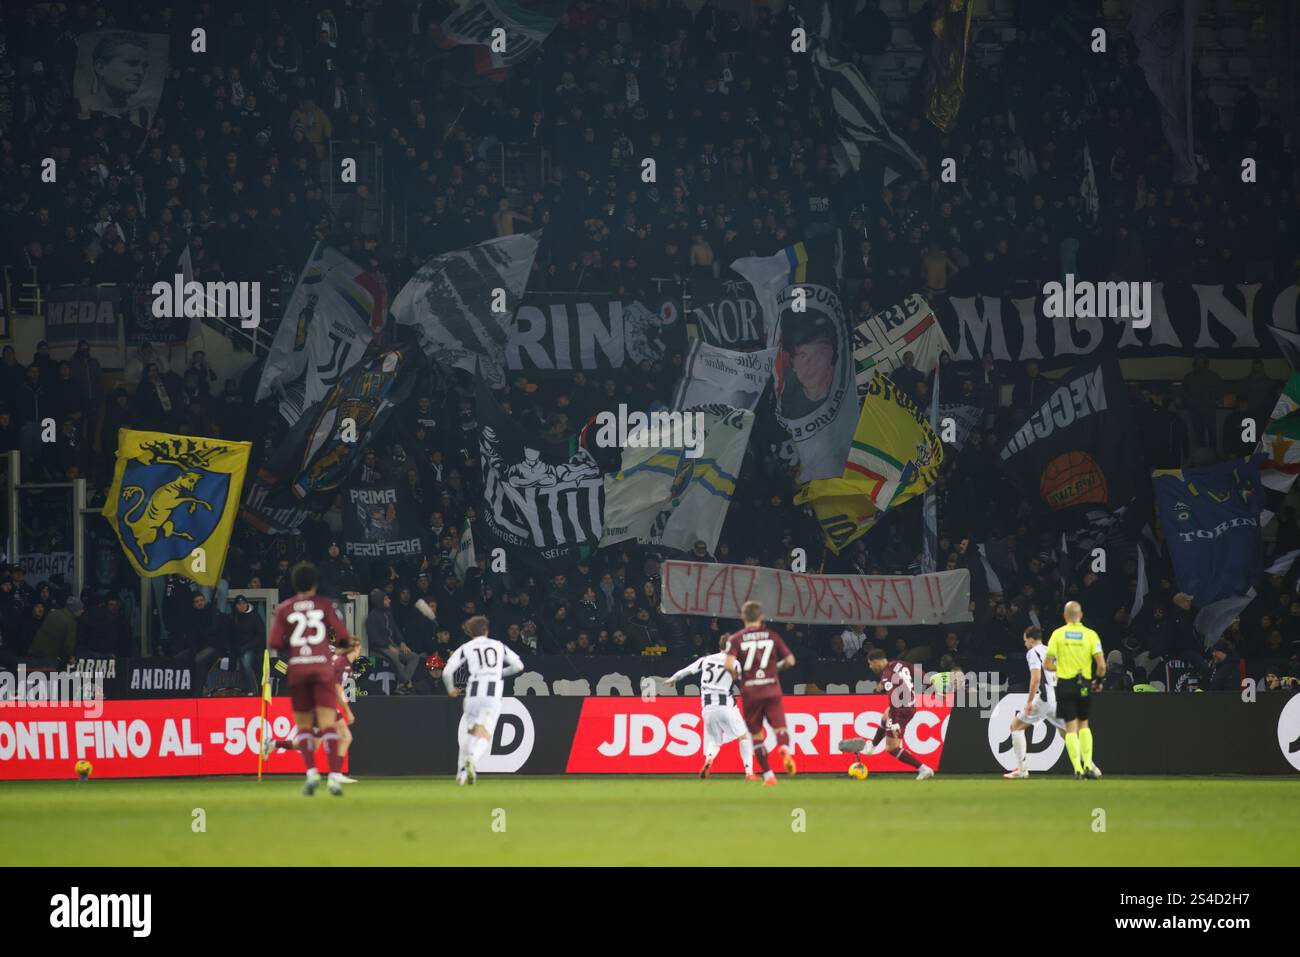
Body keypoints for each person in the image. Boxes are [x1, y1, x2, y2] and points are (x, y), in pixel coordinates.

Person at [268, 562, 352, 797]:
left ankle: (311, 773)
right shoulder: (325, 605)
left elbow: (275, 643)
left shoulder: (285, 608)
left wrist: (296, 648)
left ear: (294, 584)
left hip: (298, 671)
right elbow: (344, 637)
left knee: (304, 727)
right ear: (315, 583)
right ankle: (334, 777)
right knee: (328, 725)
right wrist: (324, 648)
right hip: (322, 670)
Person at [443, 615, 525, 785]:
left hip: (472, 694)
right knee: (485, 735)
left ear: (471, 632)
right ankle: (471, 760)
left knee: (470, 732)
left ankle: (461, 775)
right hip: (491, 695)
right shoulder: (498, 645)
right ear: (486, 630)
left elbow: (447, 672)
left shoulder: (467, 647)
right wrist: (499, 673)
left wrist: (451, 689)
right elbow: (518, 666)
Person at [722, 600, 797, 786]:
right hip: (772, 688)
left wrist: (738, 677)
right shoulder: (772, 636)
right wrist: (774, 669)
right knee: (780, 729)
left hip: (751, 691)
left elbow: (728, 664)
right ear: (761, 617)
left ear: (743, 618)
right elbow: (790, 661)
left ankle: (769, 775)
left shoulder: (736, 639)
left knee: (756, 736)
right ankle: (785, 748)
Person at [665, 634, 756, 779]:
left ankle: (709, 760)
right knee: (743, 736)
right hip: (726, 705)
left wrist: (673, 679)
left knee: (714, 741)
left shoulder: (706, 660)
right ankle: (749, 772)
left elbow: (686, 670)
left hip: (707, 708)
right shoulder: (734, 662)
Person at [840, 649, 935, 780]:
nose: (870, 667)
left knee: (891, 748)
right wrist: (931, 686)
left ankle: (923, 769)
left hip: (902, 711)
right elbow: (916, 671)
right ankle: (871, 747)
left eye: (870, 664)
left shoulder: (887, 676)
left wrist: (895, 722)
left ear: (876, 661)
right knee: (885, 714)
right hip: (909, 705)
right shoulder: (899, 664)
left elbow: (894, 700)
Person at [1044, 601, 1106, 780]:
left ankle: (1077, 769)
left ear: (1065, 616)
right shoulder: (1090, 635)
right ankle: (1088, 764)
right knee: (1084, 724)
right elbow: (1101, 665)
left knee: (1070, 727)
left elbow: (1047, 664)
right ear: (1081, 615)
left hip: (1064, 685)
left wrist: (1062, 667)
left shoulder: (1058, 634)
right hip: (1084, 685)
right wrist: (1099, 681)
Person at [1003, 626, 1067, 779]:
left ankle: (1022, 770)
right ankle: (1089, 765)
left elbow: (1036, 678)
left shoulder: (1033, 653)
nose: (1025, 643)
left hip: (1044, 697)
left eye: (1025, 640)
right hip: (1055, 696)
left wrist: (1029, 701)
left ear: (1031, 639)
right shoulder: (1050, 650)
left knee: (1015, 726)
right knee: (1067, 733)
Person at [366, 588, 422, 694]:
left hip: (393, 646)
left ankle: (402, 682)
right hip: (379, 648)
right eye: (386, 599)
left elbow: (396, 630)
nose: (389, 600)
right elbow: (374, 638)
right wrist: (388, 646)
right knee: (394, 656)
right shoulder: (372, 617)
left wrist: (402, 643)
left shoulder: (388, 613)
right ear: (380, 601)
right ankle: (407, 682)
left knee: (414, 656)